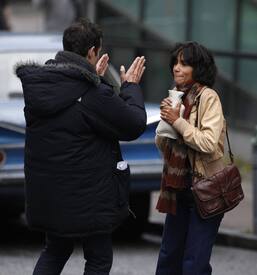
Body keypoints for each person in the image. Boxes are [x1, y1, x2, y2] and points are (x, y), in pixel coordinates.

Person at [16, 18, 146, 275]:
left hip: (50, 193)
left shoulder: (43, 85)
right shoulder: (90, 93)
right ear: (91, 52)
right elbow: (133, 124)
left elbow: (76, 113)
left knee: (55, 250)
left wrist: (93, 80)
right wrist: (130, 87)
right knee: (99, 258)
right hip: (86, 197)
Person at [155, 41, 226, 275]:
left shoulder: (209, 98)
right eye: (175, 62)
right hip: (177, 188)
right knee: (168, 259)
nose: (176, 68)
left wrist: (177, 121)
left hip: (204, 190)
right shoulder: (178, 97)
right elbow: (163, 146)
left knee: (194, 264)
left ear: (198, 68)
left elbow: (208, 143)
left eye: (184, 63)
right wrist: (166, 123)